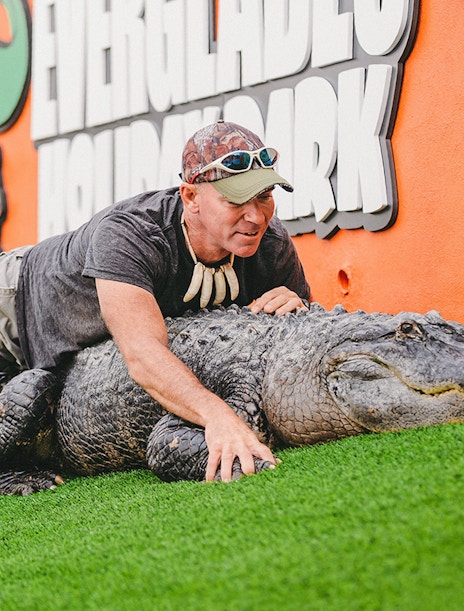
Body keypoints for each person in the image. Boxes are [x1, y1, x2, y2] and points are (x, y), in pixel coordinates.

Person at [0, 120, 310, 482]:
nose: (256, 216)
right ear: (191, 197)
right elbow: (143, 355)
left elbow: (291, 335)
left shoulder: (270, 244)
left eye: (264, 196)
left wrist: (296, 306)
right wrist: (219, 417)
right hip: (15, 302)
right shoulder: (131, 234)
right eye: (236, 199)